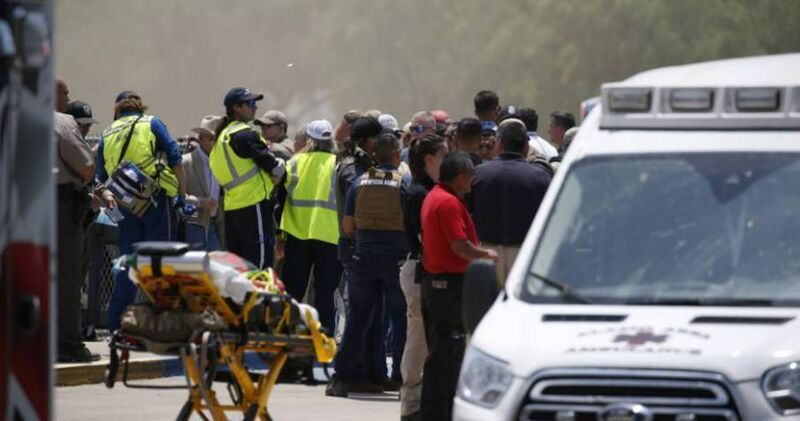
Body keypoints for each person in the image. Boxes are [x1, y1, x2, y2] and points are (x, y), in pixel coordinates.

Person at [328, 131, 409, 397]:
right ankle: (401, 378)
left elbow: (348, 226)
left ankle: (340, 379)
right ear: (396, 156)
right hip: (396, 262)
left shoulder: (360, 182)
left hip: (363, 260)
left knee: (357, 319)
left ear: (375, 155)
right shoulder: (403, 182)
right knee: (400, 320)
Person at [98, 90, 187, 332]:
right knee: (161, 263)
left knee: (129, 264)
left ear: (118, 109)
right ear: (140, 107)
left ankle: (116, 325)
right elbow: (176, 158)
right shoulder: (152, 123)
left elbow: (100, 179)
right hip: (157, 202)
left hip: (127, 206)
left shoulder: (107, 133)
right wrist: (181, 196)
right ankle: (161, 326)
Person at [419, 151, 497, 421]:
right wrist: (486, 255)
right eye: (471, 175)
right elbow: (459, 246)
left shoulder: (436, 196)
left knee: (442, 354)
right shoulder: (448, 202)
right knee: (447, 355)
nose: (474, 180)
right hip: (447, 288)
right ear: (460, 177)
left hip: (439, 285)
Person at [467, 119, 551, 283]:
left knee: (487, 306)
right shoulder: (541, 177)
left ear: (499, 144)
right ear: (526, 147)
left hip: (485, 254)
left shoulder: (477, 174)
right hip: (525, 255)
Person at [399, 134, 447, 421]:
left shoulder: (432, 189)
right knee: (417, 341)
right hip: (419, 271)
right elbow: (426, 238)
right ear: (429, 159)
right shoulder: (419, 193)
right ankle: (411, 405)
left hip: (428, 271)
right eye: (443, 155)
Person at [210, 87, 284, 269]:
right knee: (258, 263)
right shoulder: (245, 135)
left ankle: (239, 297)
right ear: (236, 107)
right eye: (250, 104)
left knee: (239, 265)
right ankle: (257, 297)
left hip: (232, 208)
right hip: (254, 204)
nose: (255, 107)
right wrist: (281, 167)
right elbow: (274, 166)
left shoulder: (221, 138)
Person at [279, 119, 340, 332]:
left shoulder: (295, 162)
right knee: (325, 291)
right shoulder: (337, 164)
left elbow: (280, 195)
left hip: (297, 233)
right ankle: (326, 338)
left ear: (309, 140)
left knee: (293, 290)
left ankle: (288, 334)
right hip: (330, 235)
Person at [54, 78, 99, 362]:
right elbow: (85, 167)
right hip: (58, 205)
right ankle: (69, 345)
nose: (68, 98)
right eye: (65, 92)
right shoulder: (61, 122)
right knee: (67, 276)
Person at [182, 115, 225, 251]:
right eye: (212, 139)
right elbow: (177, 198)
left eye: (220, 139)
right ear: (201, 138)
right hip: (194, 227)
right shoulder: (185, 162)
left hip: (219, 227)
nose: (216, 143)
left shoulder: (223, 163)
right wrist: (200, 202)